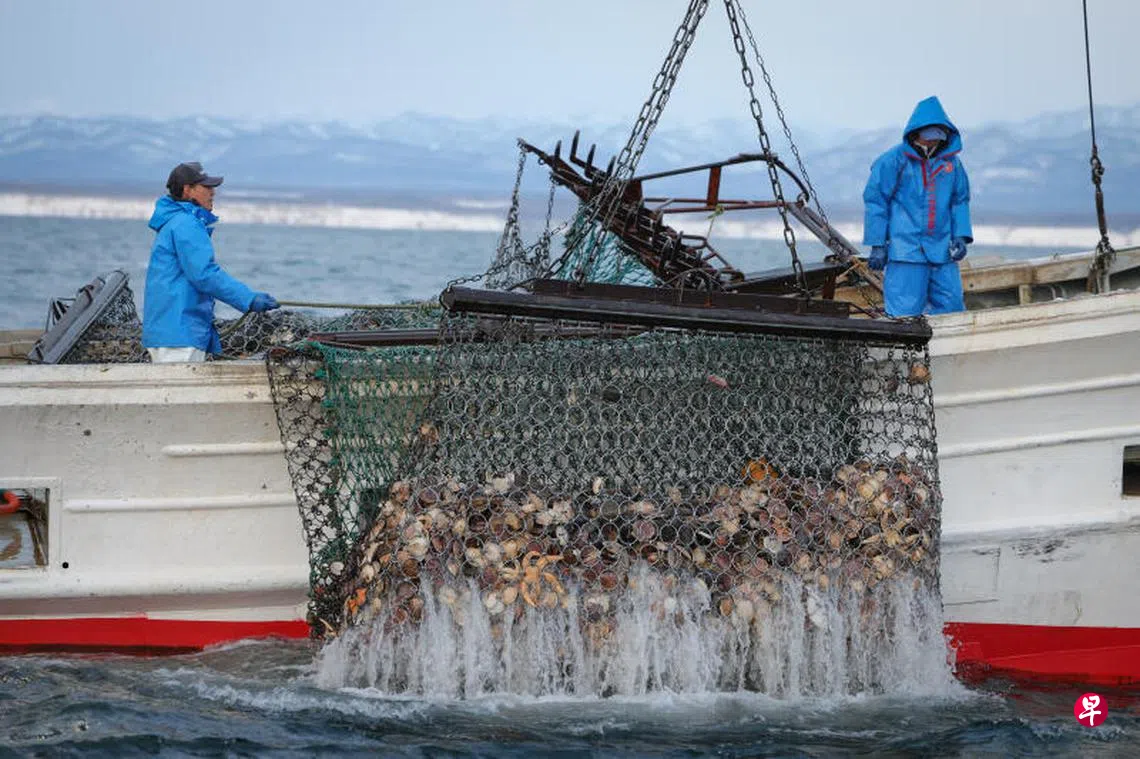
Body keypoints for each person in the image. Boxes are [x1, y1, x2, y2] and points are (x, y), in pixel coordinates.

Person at [142, 162, 280, 363]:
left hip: (168, 330)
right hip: (179, 334)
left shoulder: (174, 222)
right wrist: (248, 299)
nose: (212, 192)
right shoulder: (186, 224)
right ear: (188, 190)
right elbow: (204, 274)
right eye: (206, 187)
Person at [862, 96, 972, 317]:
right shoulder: (892, 161)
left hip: (943, 250)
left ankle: (949, 349)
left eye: (938, 137)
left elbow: (960, 201)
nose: (933, 142)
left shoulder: (952, 164)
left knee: (951, 306)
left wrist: (961, 235)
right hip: (906, 251)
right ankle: (906, 351)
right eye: (929, 137)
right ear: (916, 134)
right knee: (904, 311)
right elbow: (876, 202)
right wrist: (877, 243)